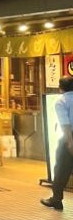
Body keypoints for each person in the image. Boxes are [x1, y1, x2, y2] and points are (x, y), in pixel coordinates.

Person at [42, 75, 73, 211]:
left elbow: (65, 124)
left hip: (69, 137)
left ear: (60, 88)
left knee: (61, 169)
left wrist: (70, 142)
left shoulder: (61, 101)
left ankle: (56, 199)